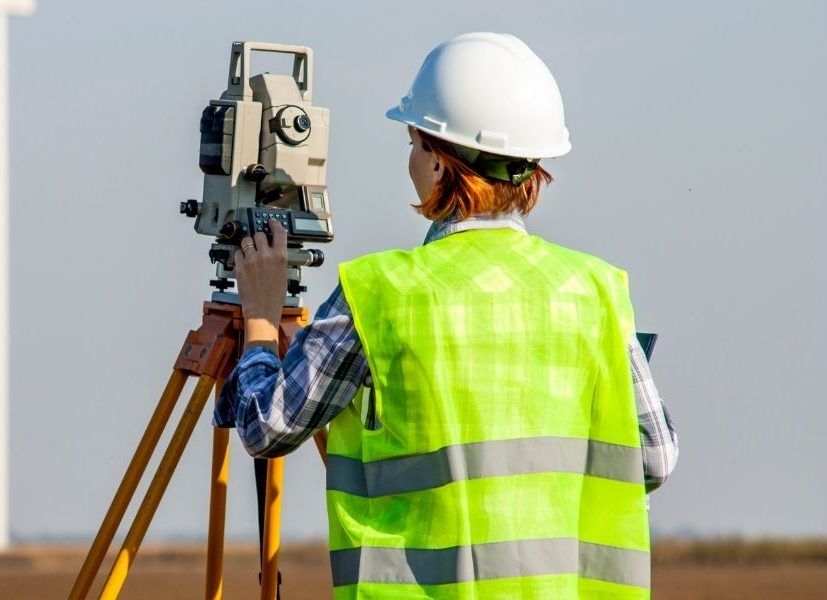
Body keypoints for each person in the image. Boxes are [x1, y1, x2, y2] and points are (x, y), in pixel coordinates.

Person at [217, 33, 678, 598]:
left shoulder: (383, 292)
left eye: (414, 142)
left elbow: (267, 425)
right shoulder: (596, 292)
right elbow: (653, 459)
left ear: (440, 160)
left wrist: (262, 322)